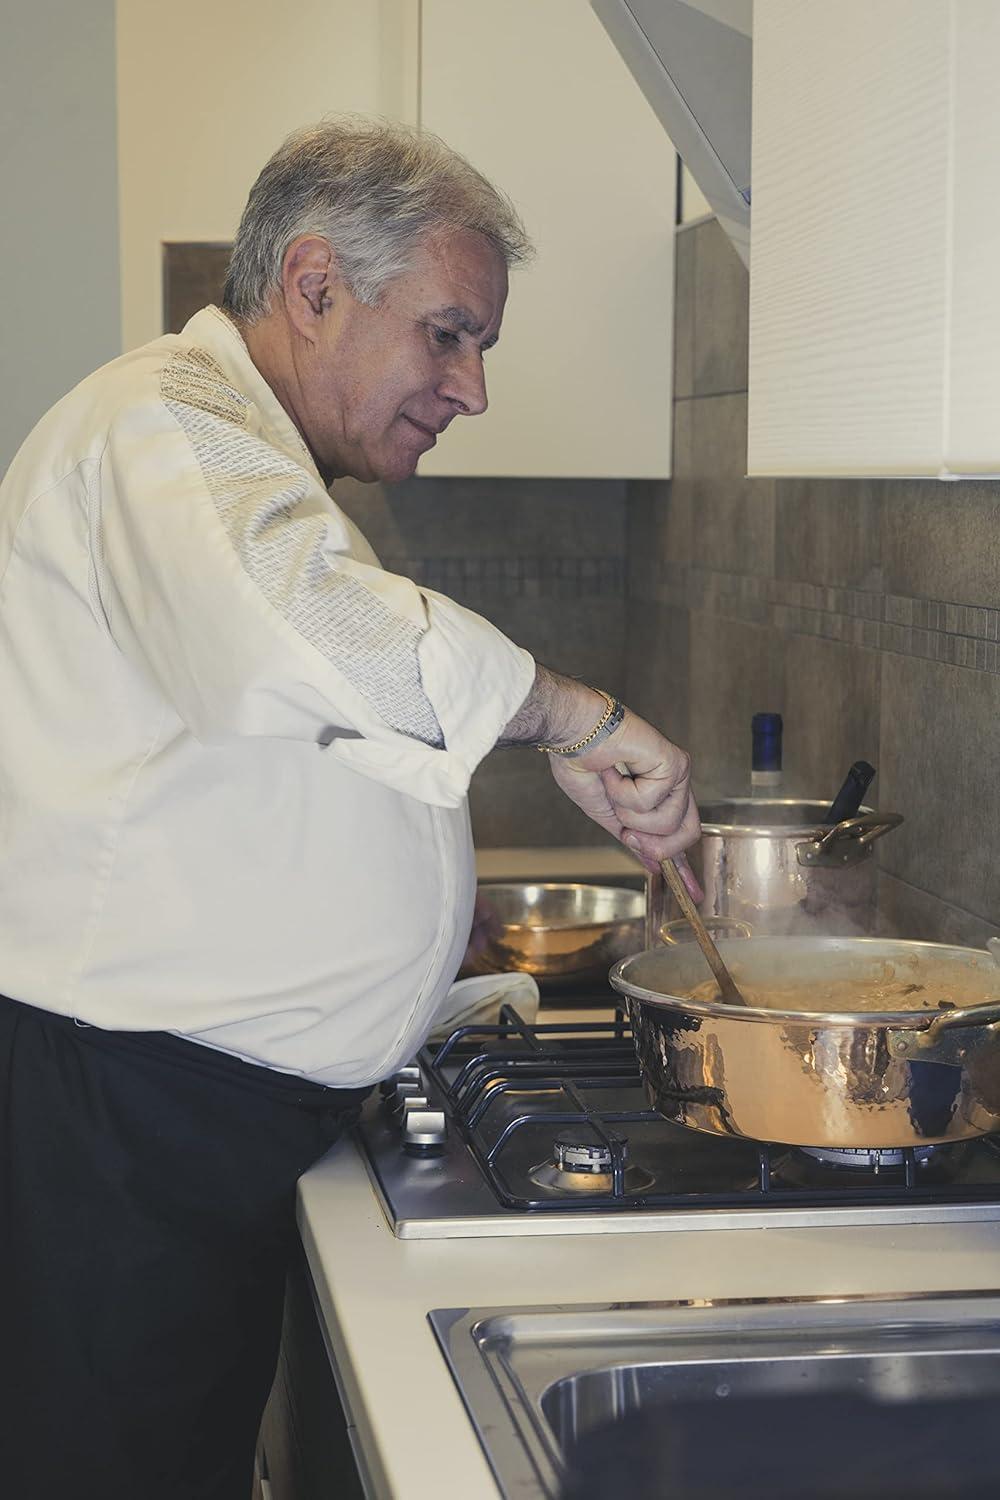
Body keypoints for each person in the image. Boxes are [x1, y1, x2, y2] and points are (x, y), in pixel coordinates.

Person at [0, 119, 699, 1499]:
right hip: (124, 1127)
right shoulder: (165, 424)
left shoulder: (248, 460)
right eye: (449, 334)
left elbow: (267, 736)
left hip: (178, 1119)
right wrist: (576, 714)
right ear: (315, 283)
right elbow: (312, 638)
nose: (473, 387)